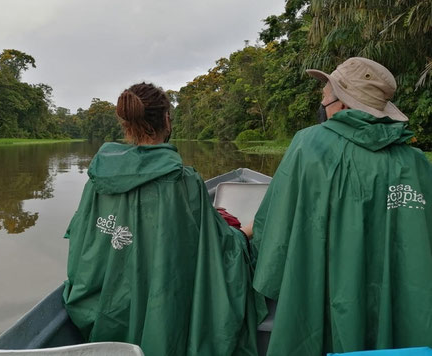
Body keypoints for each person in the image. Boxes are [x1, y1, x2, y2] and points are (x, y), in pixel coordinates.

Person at [63, 82, 264, 356]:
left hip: (106, 306)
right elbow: (215, 251)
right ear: (166, 119)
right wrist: (247, 233)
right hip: (163, 302)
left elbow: (82, 239)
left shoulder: (98, 176)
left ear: (126, 122)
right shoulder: (182, 180)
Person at [252, 57, 432, 355]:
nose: (322, 102)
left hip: (322, 302)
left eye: (326, 95)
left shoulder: (307, 145)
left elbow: (275, 233)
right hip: (401, 309)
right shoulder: (415, 162)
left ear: (345, 104)